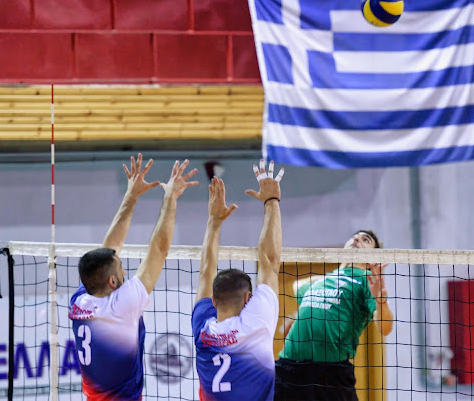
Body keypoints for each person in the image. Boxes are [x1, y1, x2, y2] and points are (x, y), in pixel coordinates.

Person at [68, 154, 199, 400]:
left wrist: (131, 196)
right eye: (121, 268)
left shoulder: (80, 301)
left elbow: (109, 248)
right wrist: (170, 197)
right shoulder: (122, 305)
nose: (125, 270)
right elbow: (158, 250)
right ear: (112, 281)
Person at [192, 159, 285, 401]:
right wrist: (271, 201)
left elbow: (205, 271)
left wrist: (214, 221)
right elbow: (269, 259)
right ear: (248, 298)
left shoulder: (202, 330)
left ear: (213, 299)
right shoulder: (255, 323)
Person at [274, 230, 395, 401]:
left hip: (329, 375)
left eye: (365, 240)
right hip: (289, 368)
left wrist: (381, 300)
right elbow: (296, 286)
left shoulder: (366, 281)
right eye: (355, 237)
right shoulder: (323, 281)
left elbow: (385, 328)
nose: (357, 239)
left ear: (371, 261)